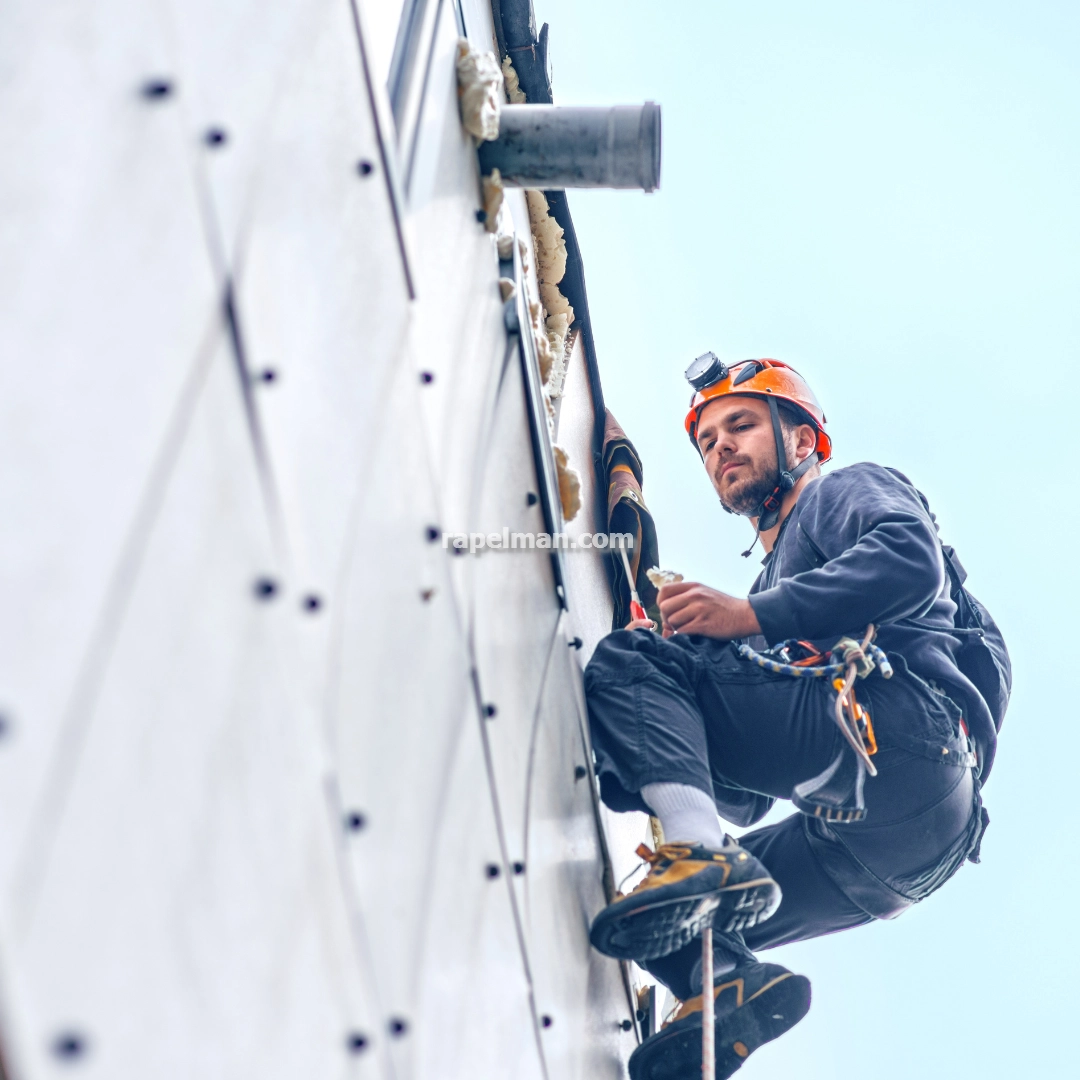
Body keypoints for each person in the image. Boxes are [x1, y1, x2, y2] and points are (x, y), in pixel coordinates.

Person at [584, 355, 1010, 1080]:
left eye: (742, 424)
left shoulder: (840, 493)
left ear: (805, 441)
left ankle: (700, 858)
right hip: (899, 845)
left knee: (631, 659)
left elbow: (910, 560)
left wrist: (738, 621)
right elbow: (747, 794)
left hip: (903, 736)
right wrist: (650, 740)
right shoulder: (776, 588)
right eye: (709, 438)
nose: (721, 445)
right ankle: (728, 991)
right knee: (668, 922)